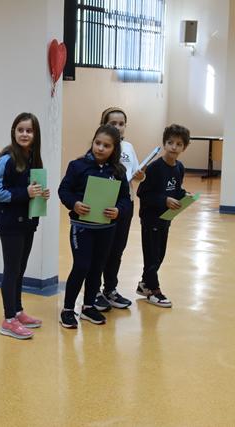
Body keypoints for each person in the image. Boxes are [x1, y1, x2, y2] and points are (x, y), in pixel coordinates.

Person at [58, 125, 131, 328]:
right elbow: (64, 190)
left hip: (106, 229)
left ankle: (89, 306)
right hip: (81, 227)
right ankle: (67, 309)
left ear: (114, 149)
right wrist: (74, 204)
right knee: (81, 266)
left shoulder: (118, 171)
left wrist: (118, 210)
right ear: (93, 142)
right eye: (97, 143)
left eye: (106, 146)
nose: (100, 148)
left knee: (97, 267)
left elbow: (125, 199)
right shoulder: (77, 166)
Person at [0, 112, 50, 340]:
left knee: (20, 269)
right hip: (10, 224)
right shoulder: (6, 160)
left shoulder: (33, 158)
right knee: (11, 270)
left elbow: (30, 191)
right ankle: (8, 320)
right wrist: (25, 193)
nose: (24, 134)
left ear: (36, 134)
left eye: (29, 130)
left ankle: (17, 310)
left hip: (28, 222)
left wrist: (41, 194)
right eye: (20, 130)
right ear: (13, 132)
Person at [94, 107, 145, 311]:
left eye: (121, 123)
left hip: (125, 204)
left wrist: (140, 176)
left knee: (117, 249)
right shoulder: (100, 148)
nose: (117, 127)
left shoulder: (129, 147)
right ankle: (93, 291)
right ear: (103, 125)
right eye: (112, 123)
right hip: (104, 203)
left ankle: (110, 289)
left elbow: (135, 172)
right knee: (100, 249)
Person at [136, 124, 191, 308]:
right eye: (170, 142)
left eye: (179, 144)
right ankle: (154, 290)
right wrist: (164, 200)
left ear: (184, 147)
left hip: (166, 219)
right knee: (151, 256)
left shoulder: (179, 168)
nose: (174, 147)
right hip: (150, 219)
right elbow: (143, 193)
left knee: (159, 255)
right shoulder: (154, 168)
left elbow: (175, 189)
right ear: (164, 143)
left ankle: (145, 284)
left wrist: (184, 195)